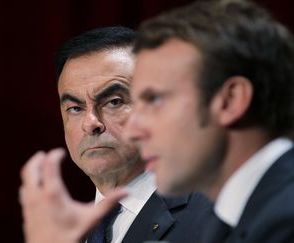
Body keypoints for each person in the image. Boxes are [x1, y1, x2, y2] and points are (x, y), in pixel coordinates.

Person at [20, 26, 211, 243]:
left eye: (114, 102)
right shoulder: (67, 233)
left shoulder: (214, 215)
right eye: (75, 108)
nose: (91, 123)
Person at [123, 0, 294, 242]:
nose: (131, 132)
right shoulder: (228, 220)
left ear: (230, 100)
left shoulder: (286, 221)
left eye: (154, 100)